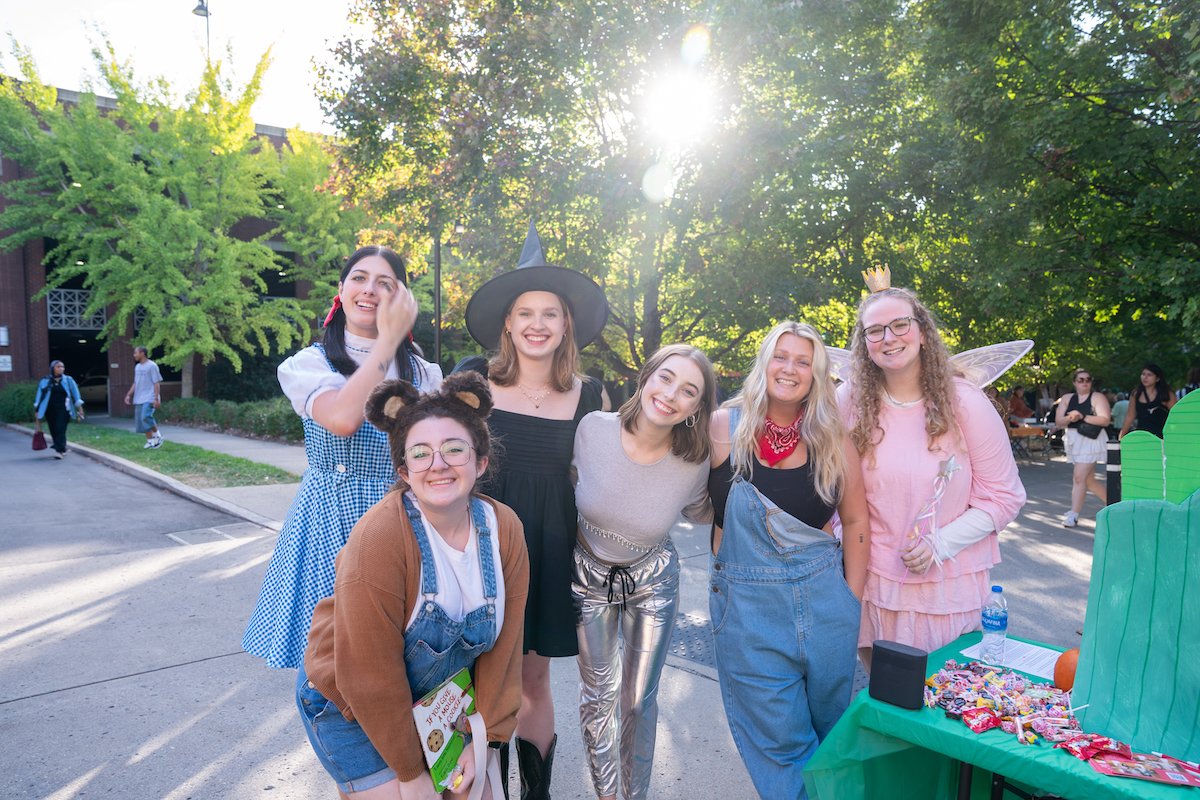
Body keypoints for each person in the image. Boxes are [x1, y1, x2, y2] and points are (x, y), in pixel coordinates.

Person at [298, 372, 528, 800]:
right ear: (404, 470)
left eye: (455, 450)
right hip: (351, 705)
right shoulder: (379, 539)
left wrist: (489, 737)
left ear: (480, 462)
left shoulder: (504, 529)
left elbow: (505, 648)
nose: (438, 464)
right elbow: (369, 674)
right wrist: (409, 771)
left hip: (437, 704)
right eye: (421, 454)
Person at [457, 221, 609, 800]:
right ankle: (477, 787)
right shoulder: (474, 377)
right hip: (481, 544)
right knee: (477, 677)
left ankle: (534, 793)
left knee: (534, 679)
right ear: (508, 324)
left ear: (565, 323)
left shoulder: (590, 394)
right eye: (526, 313)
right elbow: (440, 452)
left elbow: (605, 474)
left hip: (549, 548)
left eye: (550, 313)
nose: (537, 324)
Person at [243, 244, 441, 669]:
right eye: (359, 278)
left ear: (401, 299)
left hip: (406, 516)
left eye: (385, 283)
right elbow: (343, 418)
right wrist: (388, 343)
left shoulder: (425, 374)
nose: (369, 290)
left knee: (400, 657)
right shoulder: (308, 364)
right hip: (327, 518)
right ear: (341, 289)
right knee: (328, 663)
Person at [707, 322, 870, 799]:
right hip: (747, 609)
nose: (790, 368)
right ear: (764, 363)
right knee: (780, 744)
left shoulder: (833, 440)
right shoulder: (724, 427)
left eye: (803, 361)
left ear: (816, 374)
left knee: (829, 733)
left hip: (824, 605)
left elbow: (856, 521)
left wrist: (850, 602)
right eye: (781, 356)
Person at [841, 281, 1026, 668]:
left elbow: (1004, 497)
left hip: (944, 590)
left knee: (938, 706)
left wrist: (939, 544)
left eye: (900, 325)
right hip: (871, 586)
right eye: (874, 331)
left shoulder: (966, 403)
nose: (888, 338)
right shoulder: (848, 402)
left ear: (922, 332)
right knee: (885, 705)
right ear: (864, 344)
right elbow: (825, 485)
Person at [571, 344, 716, 800]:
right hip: (587, 577)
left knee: (636, 700)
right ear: (647, 377)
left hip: (653, 579)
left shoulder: (694, 462)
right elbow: (566, 480)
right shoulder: (592, 429)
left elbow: (703, 512)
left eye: (689, 391)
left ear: (696, 409)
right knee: (599, 698)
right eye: (666, 378)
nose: (672, 394)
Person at [1054, 369, 1112, 527]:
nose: (1084, 382)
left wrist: (1082, 416)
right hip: (1074, 441)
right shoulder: (1067, 398)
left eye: (1088, 379)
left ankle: (1073, 514)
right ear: (1074, 382)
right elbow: (1059, 421)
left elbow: (1105, 420)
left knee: (1079, 477)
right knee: (1089, 480)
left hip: (1090, 441)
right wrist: (1070, 417)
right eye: (1080, 380)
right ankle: (1115, 505)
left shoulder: (1097, 397)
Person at [34, 360, 85, 459]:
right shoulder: (45, 381)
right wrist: (37, 411)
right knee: (53, 429)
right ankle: (62, 448)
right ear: (53, 368)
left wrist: (80, 408)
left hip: (64, 409)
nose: (61, 369)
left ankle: (59, 450)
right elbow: (39, 397)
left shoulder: (68, 380)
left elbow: (76, 395)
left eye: (62, 367)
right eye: (58, 367)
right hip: (49, 409)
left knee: (60, 428)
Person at [1118, 363, 1177, 440]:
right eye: (1143, 374)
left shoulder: (1166, 394)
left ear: (1157, 378)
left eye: (1149, 375)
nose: (1145, 377)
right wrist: (1122, 435)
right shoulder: (1136, 394)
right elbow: (1130, 416)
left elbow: (1176, 416)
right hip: (1141, 436)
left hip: (1161, 437)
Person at [124, 346, 164, 449]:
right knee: (142, 421)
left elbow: (156, 383)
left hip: (150, 396)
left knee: (145, 416)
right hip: (139, 397)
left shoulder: (152, 366)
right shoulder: (137, 367)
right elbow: (135, 383)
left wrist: (156, 398)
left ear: (142, 353)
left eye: (135, 353)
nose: (134, 355)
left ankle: (158, 435)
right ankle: (150, 442)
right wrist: (128, 395)